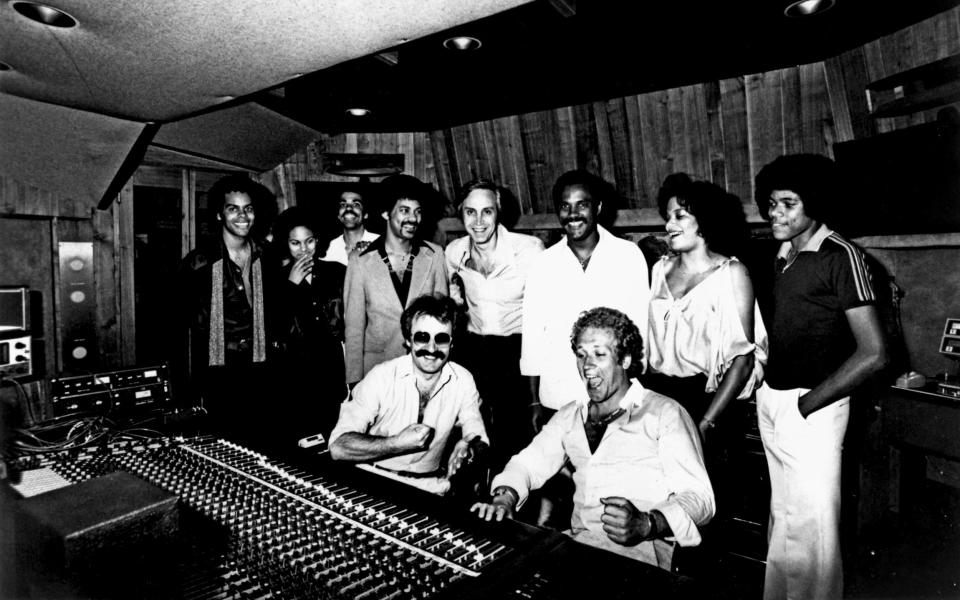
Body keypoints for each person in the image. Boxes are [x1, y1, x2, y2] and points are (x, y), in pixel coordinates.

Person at [472, 307, 714, 570]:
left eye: (599, 354)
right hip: (575, 551)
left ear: (625, 360)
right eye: (581, 355)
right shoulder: (570, 415)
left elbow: (701, 498)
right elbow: (527, 464)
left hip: (641, 561)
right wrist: (505, 496)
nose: (587, 366)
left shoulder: (664, 413)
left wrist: (647, 523)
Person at [753, 154, 888, 600]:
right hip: (773, 402)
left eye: (788, 204)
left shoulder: (843, 257)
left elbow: (874, 354)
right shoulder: (782, 254)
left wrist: (809, 403)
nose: (775, 213)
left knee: (814, 529)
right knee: (783, 518)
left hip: (813, 408)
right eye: (771, 203)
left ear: (816, 204)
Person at [644, 175, 768, 520]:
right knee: (657, 504)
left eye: (680, 216)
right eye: (667, 216)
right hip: (657, 394)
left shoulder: (731, 273)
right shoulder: (659, 270)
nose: (669, 224)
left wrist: (706, 423)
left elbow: (742, 359)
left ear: (705, 221)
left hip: (704, 400)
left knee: (700, 509)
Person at [521, 170, 649, 427]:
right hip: (558, 397)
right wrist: (534, 401)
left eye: (582, 205)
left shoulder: (628, 256)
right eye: (565, 206)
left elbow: (641, 332)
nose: (573, 214)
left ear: (598, 207)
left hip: (615, 397)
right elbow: (532, 337)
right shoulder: (543, 264)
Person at [329, 294, 489, 496]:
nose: (431, 348)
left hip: (431, 487)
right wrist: (395, 443)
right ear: (407, 340)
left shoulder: (463, 380)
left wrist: (469, 446)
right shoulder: (381, 376)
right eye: (422, 337)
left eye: (441, 339)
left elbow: (477, 432)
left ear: (452, 343)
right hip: (374, 482)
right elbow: (338, 447)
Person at [445, 179, 545, 470]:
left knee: (514, 436)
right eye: (470, 212)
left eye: (487, 212)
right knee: (471, 432)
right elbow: (454, 298)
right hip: (474, 349)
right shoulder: (453, 252)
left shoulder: (529, 250)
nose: (478, 222)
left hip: (517, 350)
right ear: (461, 213)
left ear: (498, 212)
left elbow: (544, 315)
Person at [177, 174, 280, 443]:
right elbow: (180, 327)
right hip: (218, 373)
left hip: (263, 368)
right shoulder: (198, 264)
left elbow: (279, 311)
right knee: (223, 443)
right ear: (220, 215)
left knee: (264, 443)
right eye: (233, 208)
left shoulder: (267, 255)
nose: (242, 216)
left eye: (248, 208)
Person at [344, 175, 449, 385]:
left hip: (425, 372)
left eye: (418, 211)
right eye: (404, 211)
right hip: (377, 372)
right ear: (385, 213)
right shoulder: (360, 261)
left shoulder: (435, 255)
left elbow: (444, 322)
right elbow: (354, 329)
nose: (413, 218)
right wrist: (355, 381)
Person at [275, 207, 347, 443]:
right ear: (286, 243)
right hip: (295, 374)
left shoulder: (337, 272)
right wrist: (291, 286)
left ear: (318, 240)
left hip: (331, 369)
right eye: (295, 243)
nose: (304, 249)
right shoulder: (275, 278)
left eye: (309, 241)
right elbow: (274, 327)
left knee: (332, 438)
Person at [322, 188, 380, 266]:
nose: (348, 208)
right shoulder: (330, 248)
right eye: (343, 204)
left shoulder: (379, 243)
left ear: (365, 214)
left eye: (356, 204)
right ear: (338, 215)